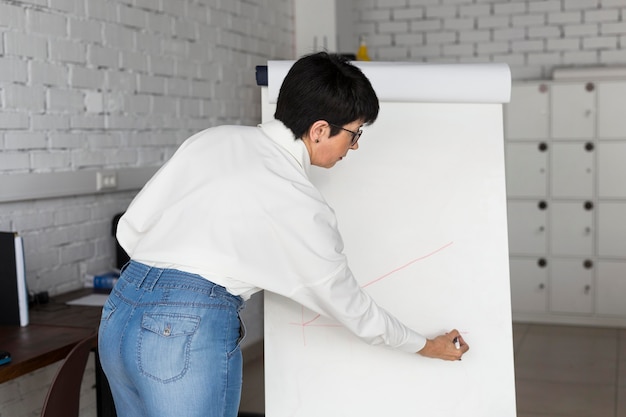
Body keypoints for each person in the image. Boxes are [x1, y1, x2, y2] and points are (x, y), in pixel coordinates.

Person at [98, 52, 469, 417]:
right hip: (181, 329)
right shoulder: (299, 201)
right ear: (320, 130)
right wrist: (426, 346)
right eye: (355, 134)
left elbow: (131, 226)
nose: (355, 146)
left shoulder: (214, 138)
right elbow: (351, 308)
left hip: (118, 312)